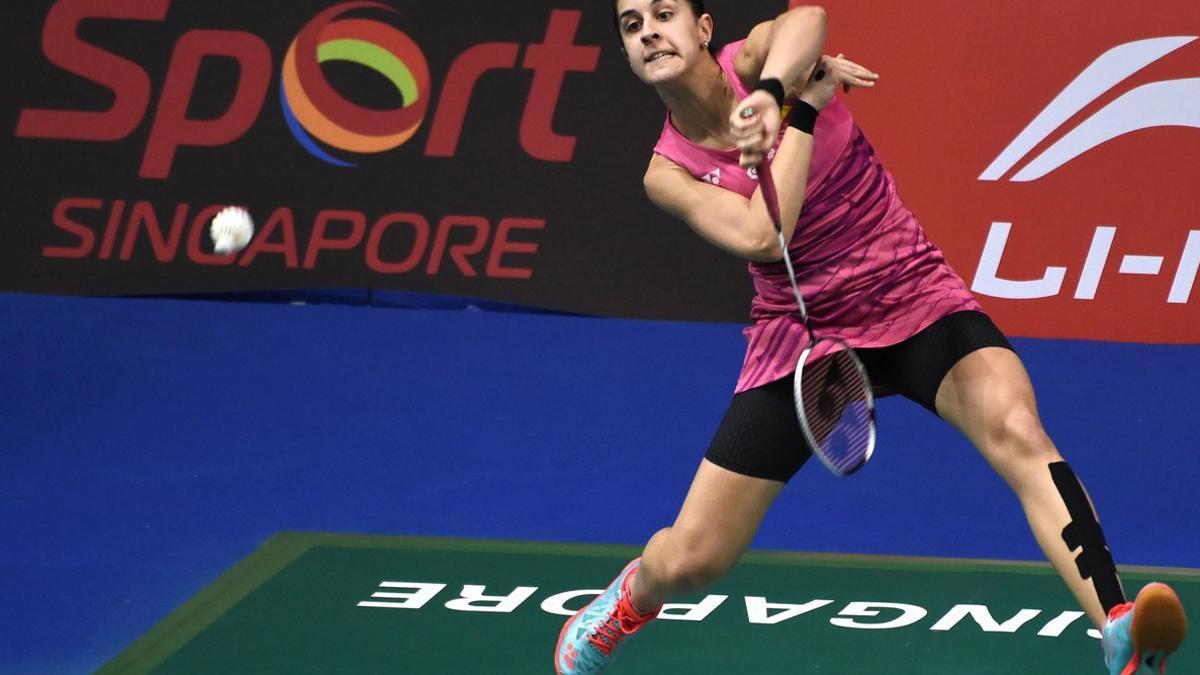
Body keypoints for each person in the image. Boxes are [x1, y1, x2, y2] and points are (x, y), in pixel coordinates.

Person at [553, 2, 1189, 674]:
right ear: (626, 54)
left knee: (1018, 429)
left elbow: (809, 21)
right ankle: (630, 597)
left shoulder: (754, 61)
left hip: (911, 292)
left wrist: (771, 93)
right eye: (631, 25)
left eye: (663, 13)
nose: (649, 30)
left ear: (704, 29)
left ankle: (1116, 624)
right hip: (801, 339)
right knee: (691, 558)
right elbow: (762, 235)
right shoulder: (667, 171)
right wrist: (802, 111)